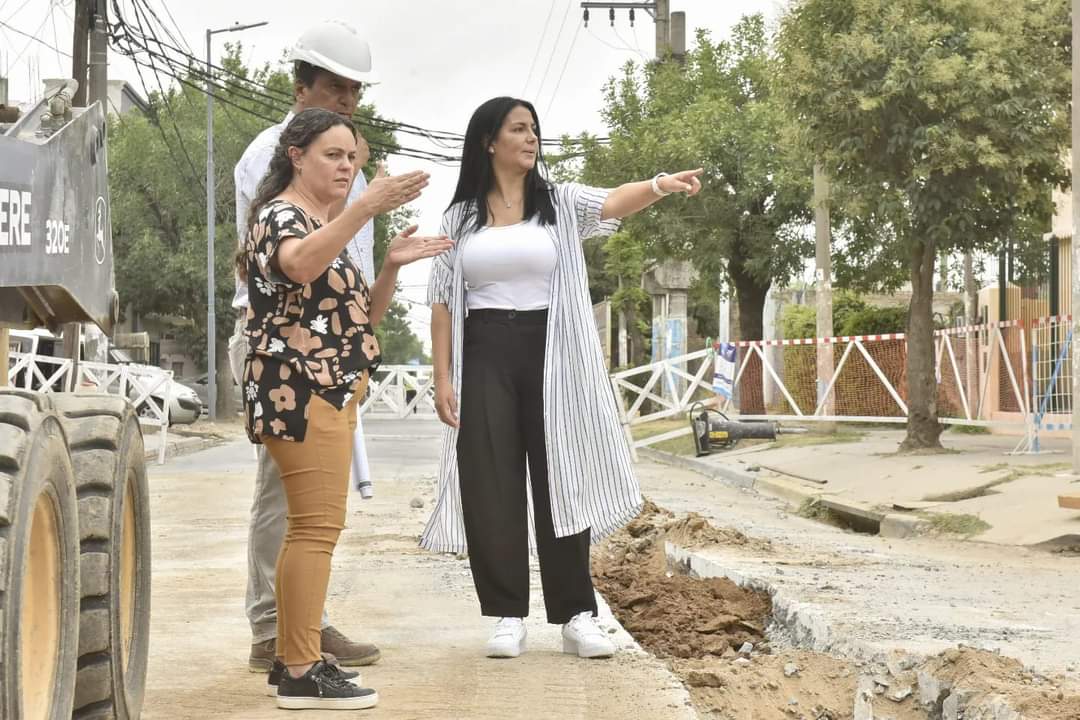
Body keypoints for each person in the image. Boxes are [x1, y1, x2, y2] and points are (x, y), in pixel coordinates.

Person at [423, 96, 702, 659]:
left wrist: (658, 185)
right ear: (489, 141)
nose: (531, 139)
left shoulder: (559, 203)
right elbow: (441, 302)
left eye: (534, 130)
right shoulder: (459, 218)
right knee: (490, 481)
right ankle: (506, 615)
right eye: (518, 129)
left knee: (562, 477)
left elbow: (613, 201)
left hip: (554, 352)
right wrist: (443, 377)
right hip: (485, 353)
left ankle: (577, 614)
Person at [240, 107, 450, 709]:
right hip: (299, 391)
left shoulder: (320, 222)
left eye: (353, 158)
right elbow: (298, 263)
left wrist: (388, 266)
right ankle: (303, 672)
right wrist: (364, 208)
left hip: (324, 388)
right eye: (334, 155)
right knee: (314, 530)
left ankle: (293, 659)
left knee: (308, 529)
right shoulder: (284, 215)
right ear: (296, 155)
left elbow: (360, 321)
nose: (347, 167)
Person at [227, 20, 383, 674]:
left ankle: (301, 621)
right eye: (333, 86)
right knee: (286, 493)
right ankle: (278, 630)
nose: (345, 97)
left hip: (333, 339)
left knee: (313, 499)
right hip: (288, 335)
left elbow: (354, 258)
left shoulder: (343, 153)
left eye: (353, 89)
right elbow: (291, 261)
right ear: (301, 86)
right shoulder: (273, 155)